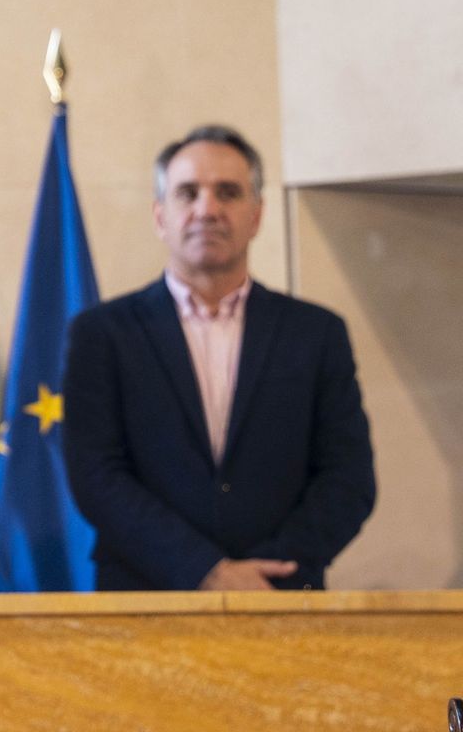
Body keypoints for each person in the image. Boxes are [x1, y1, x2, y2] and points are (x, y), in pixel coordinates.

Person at [63, 125, 375, 591]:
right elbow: (96, 476)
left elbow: (348, 479)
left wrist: (265, 573)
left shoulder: (316, 333)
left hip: (281, 597)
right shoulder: (102, 334)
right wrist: (205, 570)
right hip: (147, 600)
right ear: (160, 216)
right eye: (188, 193)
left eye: (228, 193)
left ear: (256, 215)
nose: (207, 210)